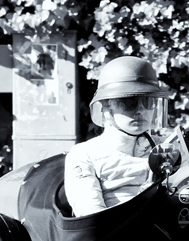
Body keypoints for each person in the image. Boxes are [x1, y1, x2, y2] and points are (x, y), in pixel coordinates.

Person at [64, 56, 171, 216]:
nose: (141, 110)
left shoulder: (169, 147)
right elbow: (92, 220)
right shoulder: (84, 155)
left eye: (147, 101)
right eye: (129, 102)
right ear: (106, 108)